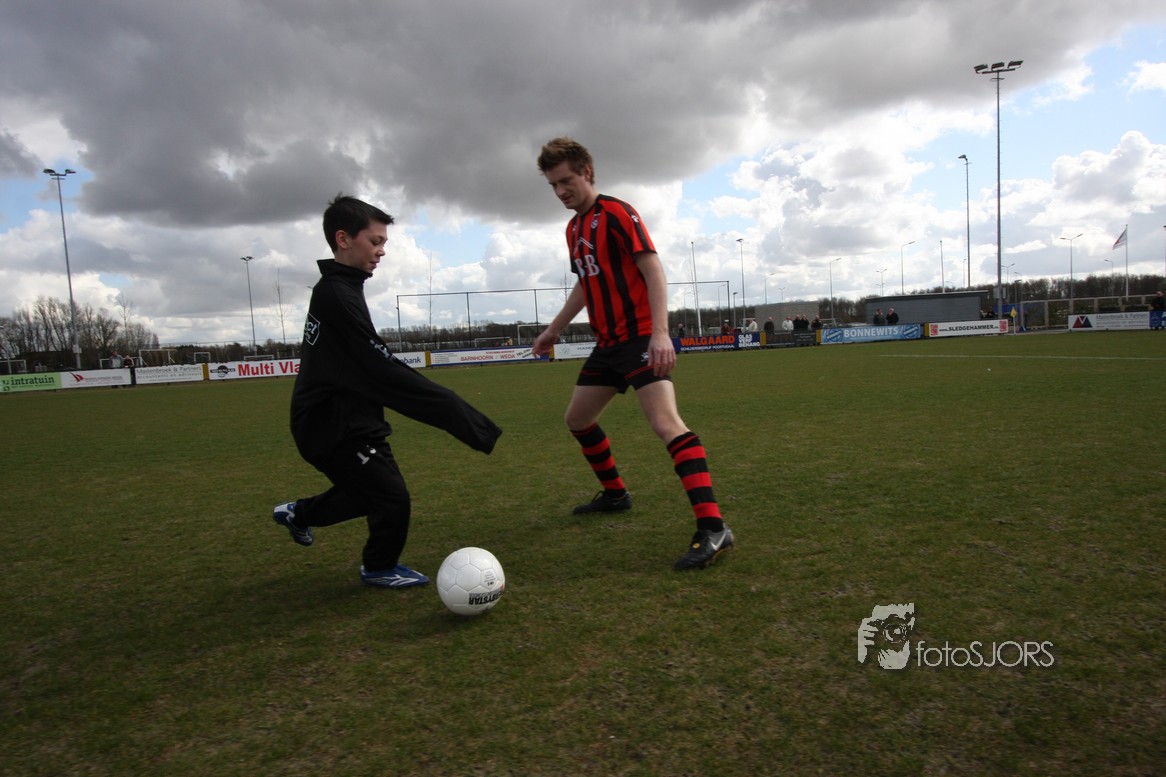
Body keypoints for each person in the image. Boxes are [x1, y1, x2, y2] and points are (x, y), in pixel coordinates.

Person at [273, 195, 502, 588]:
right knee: (391, 497)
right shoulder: (335, 294)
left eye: (383, 243)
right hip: (330, 425)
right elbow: (381, 369)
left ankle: (300, 514)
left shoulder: (344, 286)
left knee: (368, 494)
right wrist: (458, 414)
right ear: (343, 239)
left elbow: (364, 365)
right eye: (375, 241)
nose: (381, 251)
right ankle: (379, 567)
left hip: (356, 420)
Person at [532, 137, 733, 571]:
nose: (560, 191)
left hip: (640, 338)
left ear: (587, 172)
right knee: (577, 419)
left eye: (565, 181)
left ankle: (713, 527)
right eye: (553, 185)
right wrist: (553, 329)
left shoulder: (618, 214)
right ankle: (616, 494)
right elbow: (585, 284)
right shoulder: (573, 229)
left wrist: (660, 334)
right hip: (608, 345)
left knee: (666, 424)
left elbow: (653, 268)